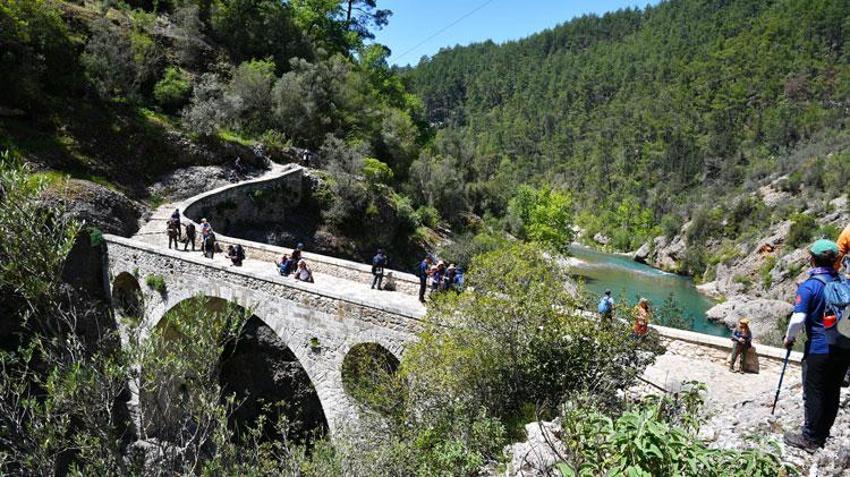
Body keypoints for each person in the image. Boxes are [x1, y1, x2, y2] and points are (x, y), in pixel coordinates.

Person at [783, 239, 850, 452]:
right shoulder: (844, 282)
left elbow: (798, 319)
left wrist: (789, 338)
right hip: (844, 347)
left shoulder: (810, 286)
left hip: (819, 348)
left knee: (814, 391)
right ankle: (822, 434)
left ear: (812, 259)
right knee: (832, 391)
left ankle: (810, 438)